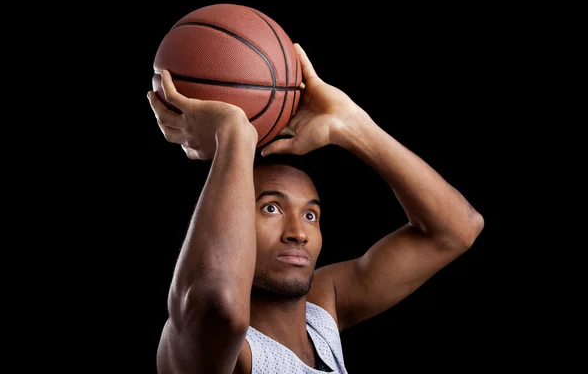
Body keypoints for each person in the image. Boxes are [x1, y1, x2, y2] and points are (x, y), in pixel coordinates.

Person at [148, 43, 484, 374]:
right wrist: (234, 135)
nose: (298, 234)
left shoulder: (321, 312)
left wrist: (352, 126)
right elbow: (219, 304)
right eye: (271, 209)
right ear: (229, 220)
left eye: (311, 215)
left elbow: (457, 229)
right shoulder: (207, 345)